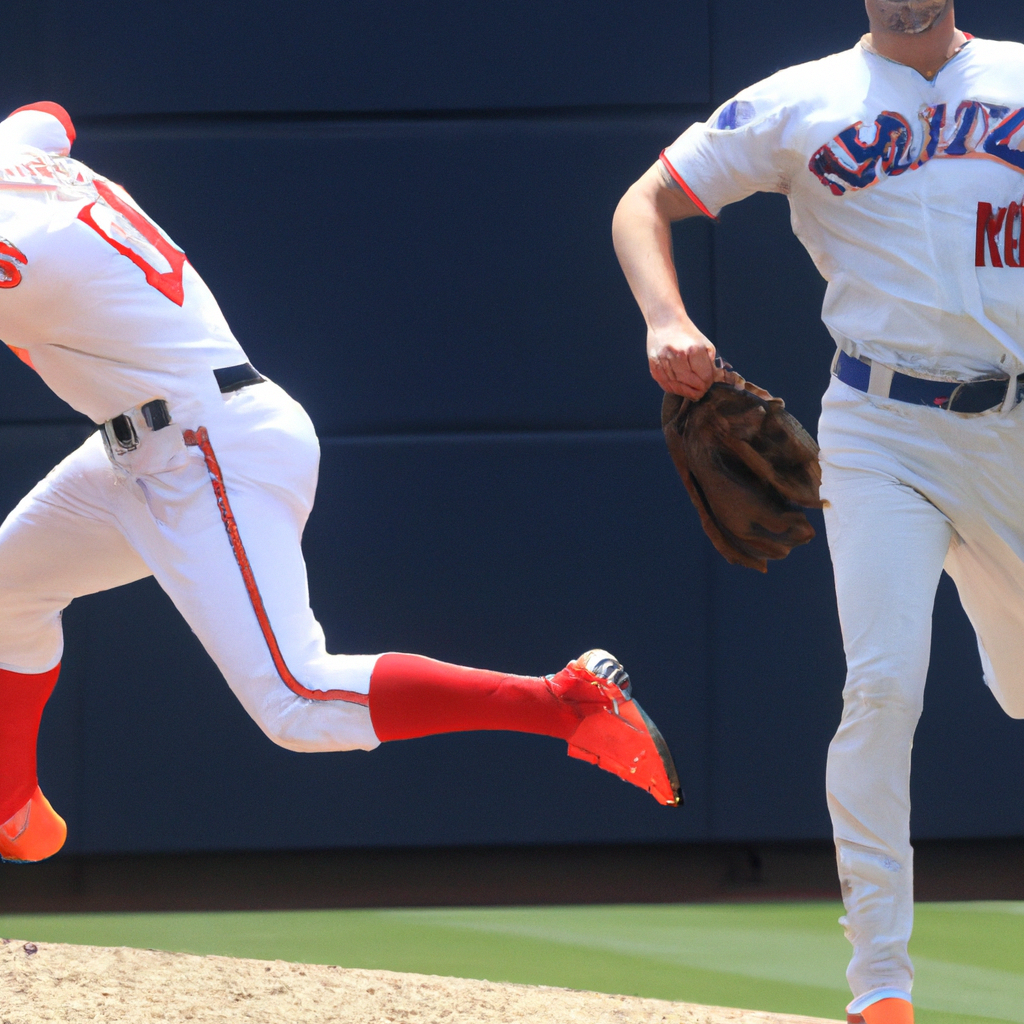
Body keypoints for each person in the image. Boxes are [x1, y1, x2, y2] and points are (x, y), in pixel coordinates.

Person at [0, 101, 681, 864]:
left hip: (208, 448)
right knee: (8, 588)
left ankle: (565, 704)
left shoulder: (14, 236)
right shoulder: (15, 159)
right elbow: (47, 116)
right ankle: (11, 805)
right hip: (145, 446)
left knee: (296, 702)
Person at [612, 2, 1024, 1022]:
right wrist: (666, 316)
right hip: (880, 426)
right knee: (881, 684)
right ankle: (879, 982)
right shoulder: (805, 99)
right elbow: (642, 203)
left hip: (1014, 423)